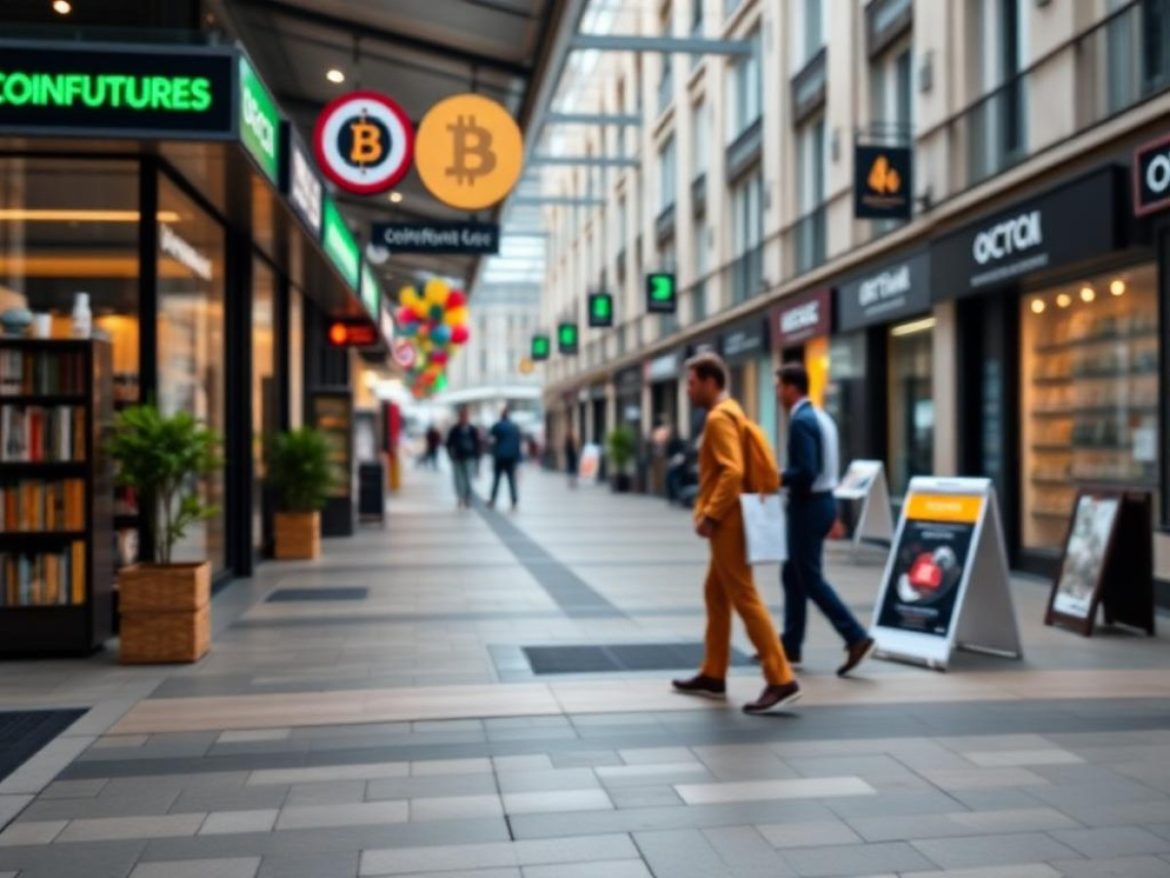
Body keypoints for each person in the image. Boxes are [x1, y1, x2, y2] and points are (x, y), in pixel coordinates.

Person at [672, 353, 801, 714]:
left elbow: (731, 471)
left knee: (744, 596)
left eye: (692, 382)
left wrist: (711, 514)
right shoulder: (733, 411)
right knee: (715, 592)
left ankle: (780, 678)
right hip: (734, 518)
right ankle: (713, 673)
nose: (688, 389)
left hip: (728, 521)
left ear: (711, 381)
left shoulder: (717, 418)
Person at [776, 362, 875, 677]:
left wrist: (774, 477)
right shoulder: (821, 417)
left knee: (810, 579)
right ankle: (790, 646)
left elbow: (806, 472)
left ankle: (855, 636)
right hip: (823, 502)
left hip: (807, 506)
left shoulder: (801, 421)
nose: (777, 393)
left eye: (779, 386)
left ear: (792, 388)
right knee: (792, 573)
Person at [488, 407, 522, 510]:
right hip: (511, 457)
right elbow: (517, 443)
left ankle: (493, 499)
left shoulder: (497, 426)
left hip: (500, 457)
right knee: (511, 480)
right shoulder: (514, 427)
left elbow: (491, 436)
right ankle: (514, 500)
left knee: (497, 479)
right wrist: (518, 459)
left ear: (501, 416)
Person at [446, 407, 479, 509]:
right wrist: (451, 456)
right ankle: (460, 497)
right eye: (462, 416)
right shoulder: (454, 429)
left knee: (468, 478)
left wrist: (477, 457)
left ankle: (467, 497)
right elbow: (448, 443)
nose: (464, 418)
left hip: (469, 457)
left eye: (466, 416)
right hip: (457, 457)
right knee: (458, 479)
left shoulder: (472, 429)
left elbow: (477, 444)